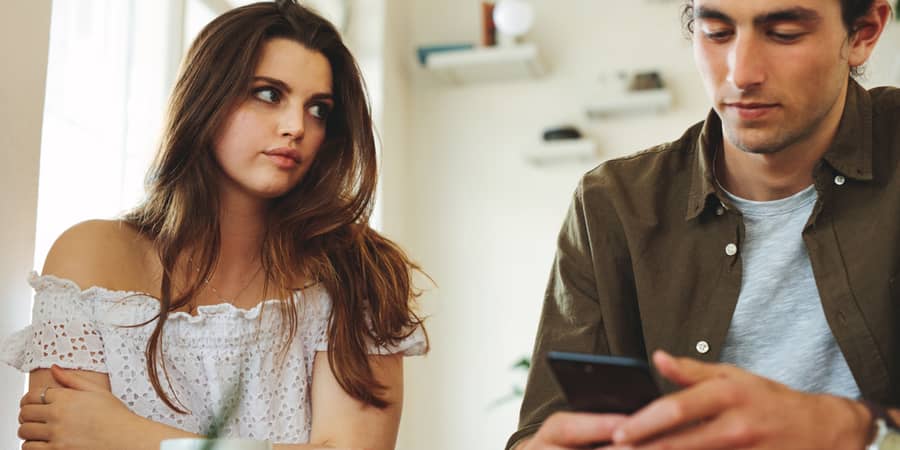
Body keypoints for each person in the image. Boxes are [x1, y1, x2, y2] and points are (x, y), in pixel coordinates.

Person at [1, 1, 427, 449]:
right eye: (269, 94)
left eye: (318, 109)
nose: (296, 126)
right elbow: (62, 440)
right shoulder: (89, 258)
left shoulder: (359, 275)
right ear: (207, 96)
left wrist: (132, 436)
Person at [509, 0, 899, 449]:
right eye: (716, 32)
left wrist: (851, 430)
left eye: (785, 34)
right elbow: (541, 430)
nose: (741, 74)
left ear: (864, 32)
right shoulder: (612, 204)